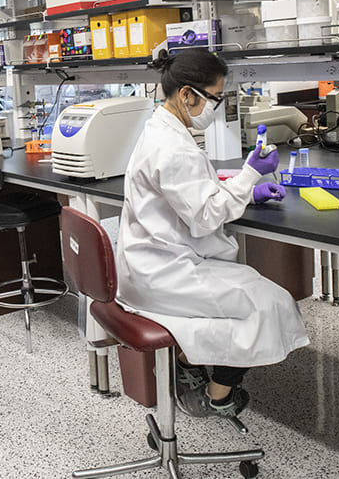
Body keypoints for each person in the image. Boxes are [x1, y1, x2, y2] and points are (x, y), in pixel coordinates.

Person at [115, 48, 309, 418]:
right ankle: (216, 397)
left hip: (151, 264)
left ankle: (188, 363)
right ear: (188, 95)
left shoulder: (162, 128)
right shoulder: (173, 146)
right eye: (216, 98)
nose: (217, 106)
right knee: (271, 303)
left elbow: (190, 197)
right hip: (163, 273)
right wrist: (250, 175)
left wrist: (244, 191)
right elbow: (204, 216)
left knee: (246, 287)